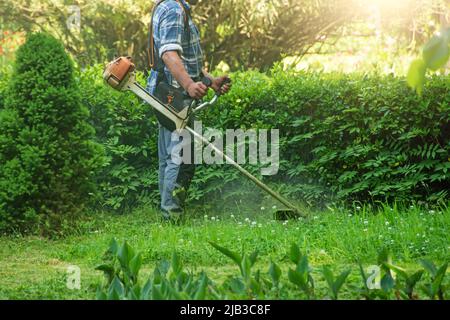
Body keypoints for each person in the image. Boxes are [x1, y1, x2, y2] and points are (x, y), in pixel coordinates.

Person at [147, 0, 231, 221]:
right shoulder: (174, 10)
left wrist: (209, 81)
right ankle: (171, 216)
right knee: (181, 158)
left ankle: (168, 212)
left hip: (166, 91)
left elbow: (185, 59)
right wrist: (189, 85)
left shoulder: (171, 7)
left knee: (170, 156)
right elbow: (169, 55)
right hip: (174, 94)